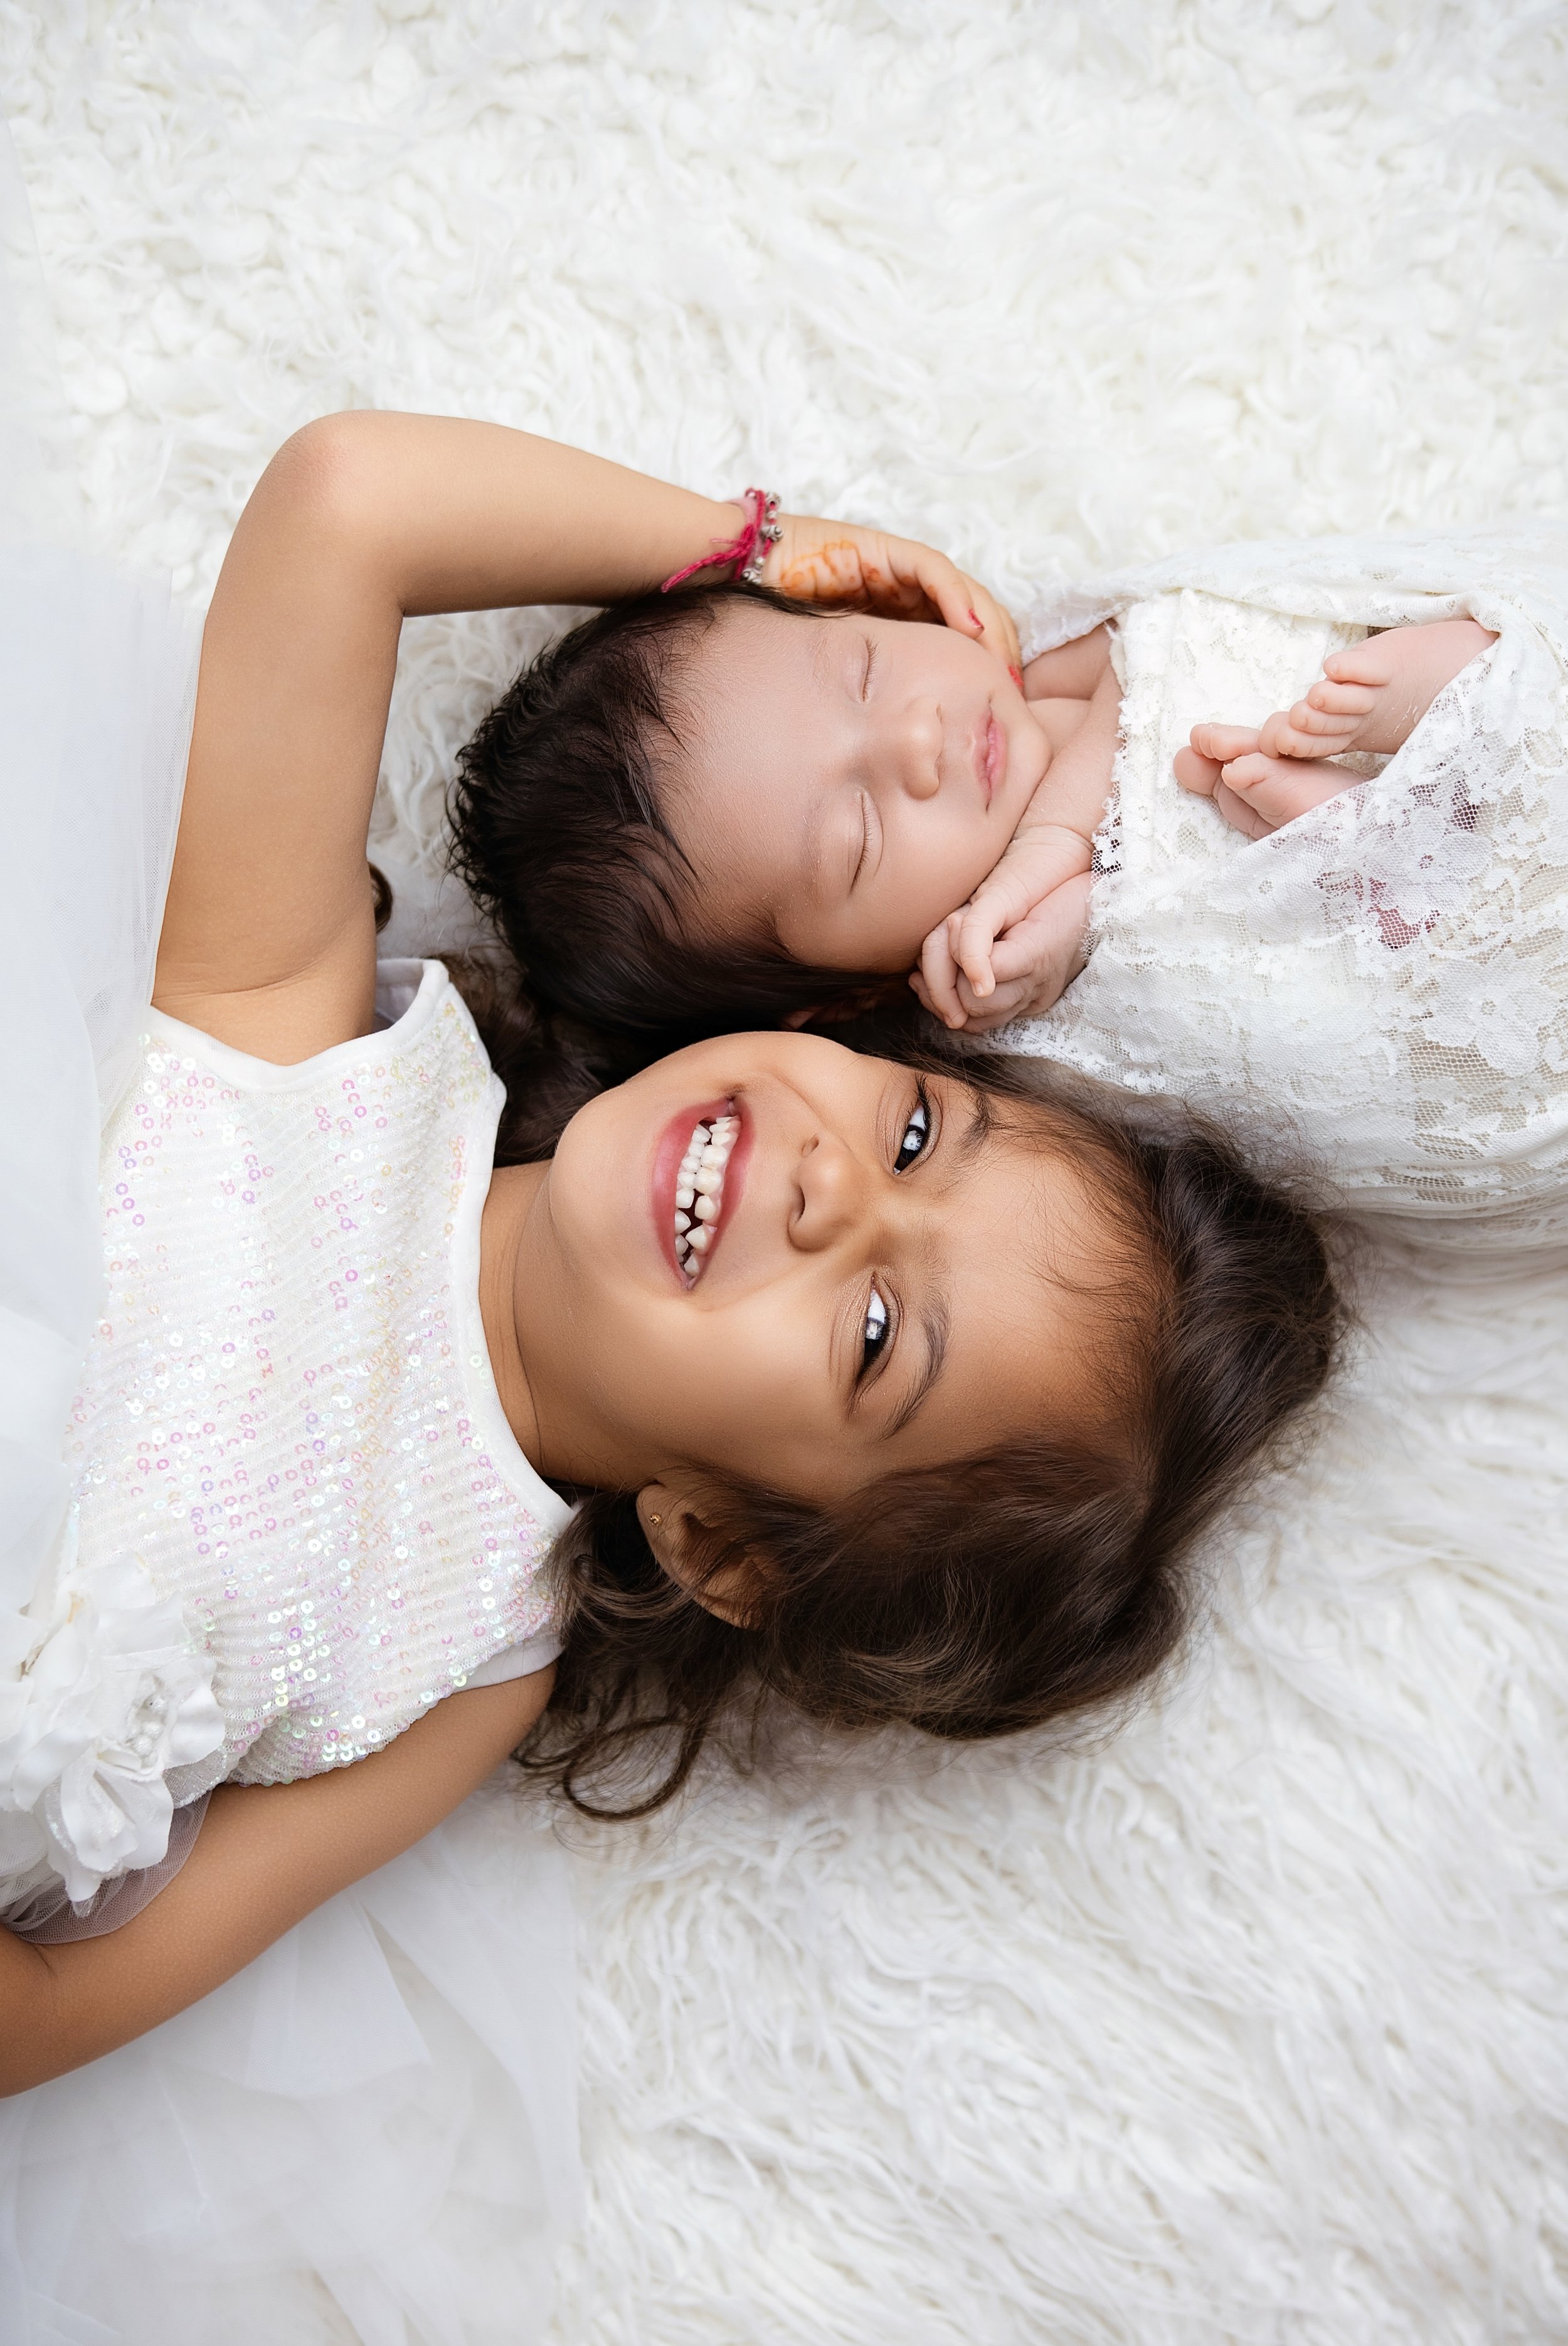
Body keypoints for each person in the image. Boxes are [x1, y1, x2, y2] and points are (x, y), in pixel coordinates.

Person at [1, 408, 1343, 2115]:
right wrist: (749, 547)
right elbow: (348, 509)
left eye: (873, 1328)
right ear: (846, 1033)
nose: (820, 1188)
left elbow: (40, 2007)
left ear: (720, 1543)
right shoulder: (298, 1042)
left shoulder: (465, 1674)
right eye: (914, 1136)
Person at [450, 462, 1568, 1251]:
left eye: (862, 672)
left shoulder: (1036, 666)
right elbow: (1192, 1092)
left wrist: (1058, 844)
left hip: (1319, 734)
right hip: (1415, 979)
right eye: (861, 835)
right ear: (846, 997)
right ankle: (1384, 846)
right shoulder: (975, 1017)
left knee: (1268, 688)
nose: (919, 740)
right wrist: (1068, 941)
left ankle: (1462, 704)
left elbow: (1164, 649)